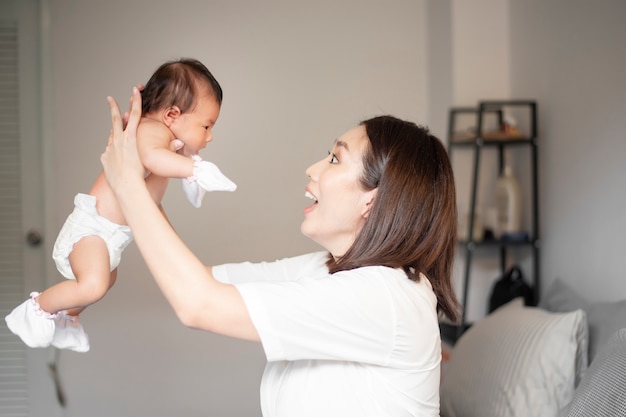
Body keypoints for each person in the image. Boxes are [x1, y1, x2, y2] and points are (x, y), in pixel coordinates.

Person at [101, 87, 459, 416]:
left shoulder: (384, 296)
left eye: (334, 159)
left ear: (373, 199)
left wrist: (127, 184)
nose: (312, 169)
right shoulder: (327, 270)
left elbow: (198, 304)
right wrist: (149, 176)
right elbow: (198, 281)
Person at [5, 58, 236, 353]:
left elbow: (151, 192)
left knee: (101, 284)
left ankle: (65, 319)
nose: (210, 135)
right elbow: (153, 160)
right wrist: (194, 170)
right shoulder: (152, 132)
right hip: (92, 229)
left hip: (109, 236)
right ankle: (36, 309)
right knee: (93, 285)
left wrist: (188, 165)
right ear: (172, 115)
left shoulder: (161, 137)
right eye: (206, 125)